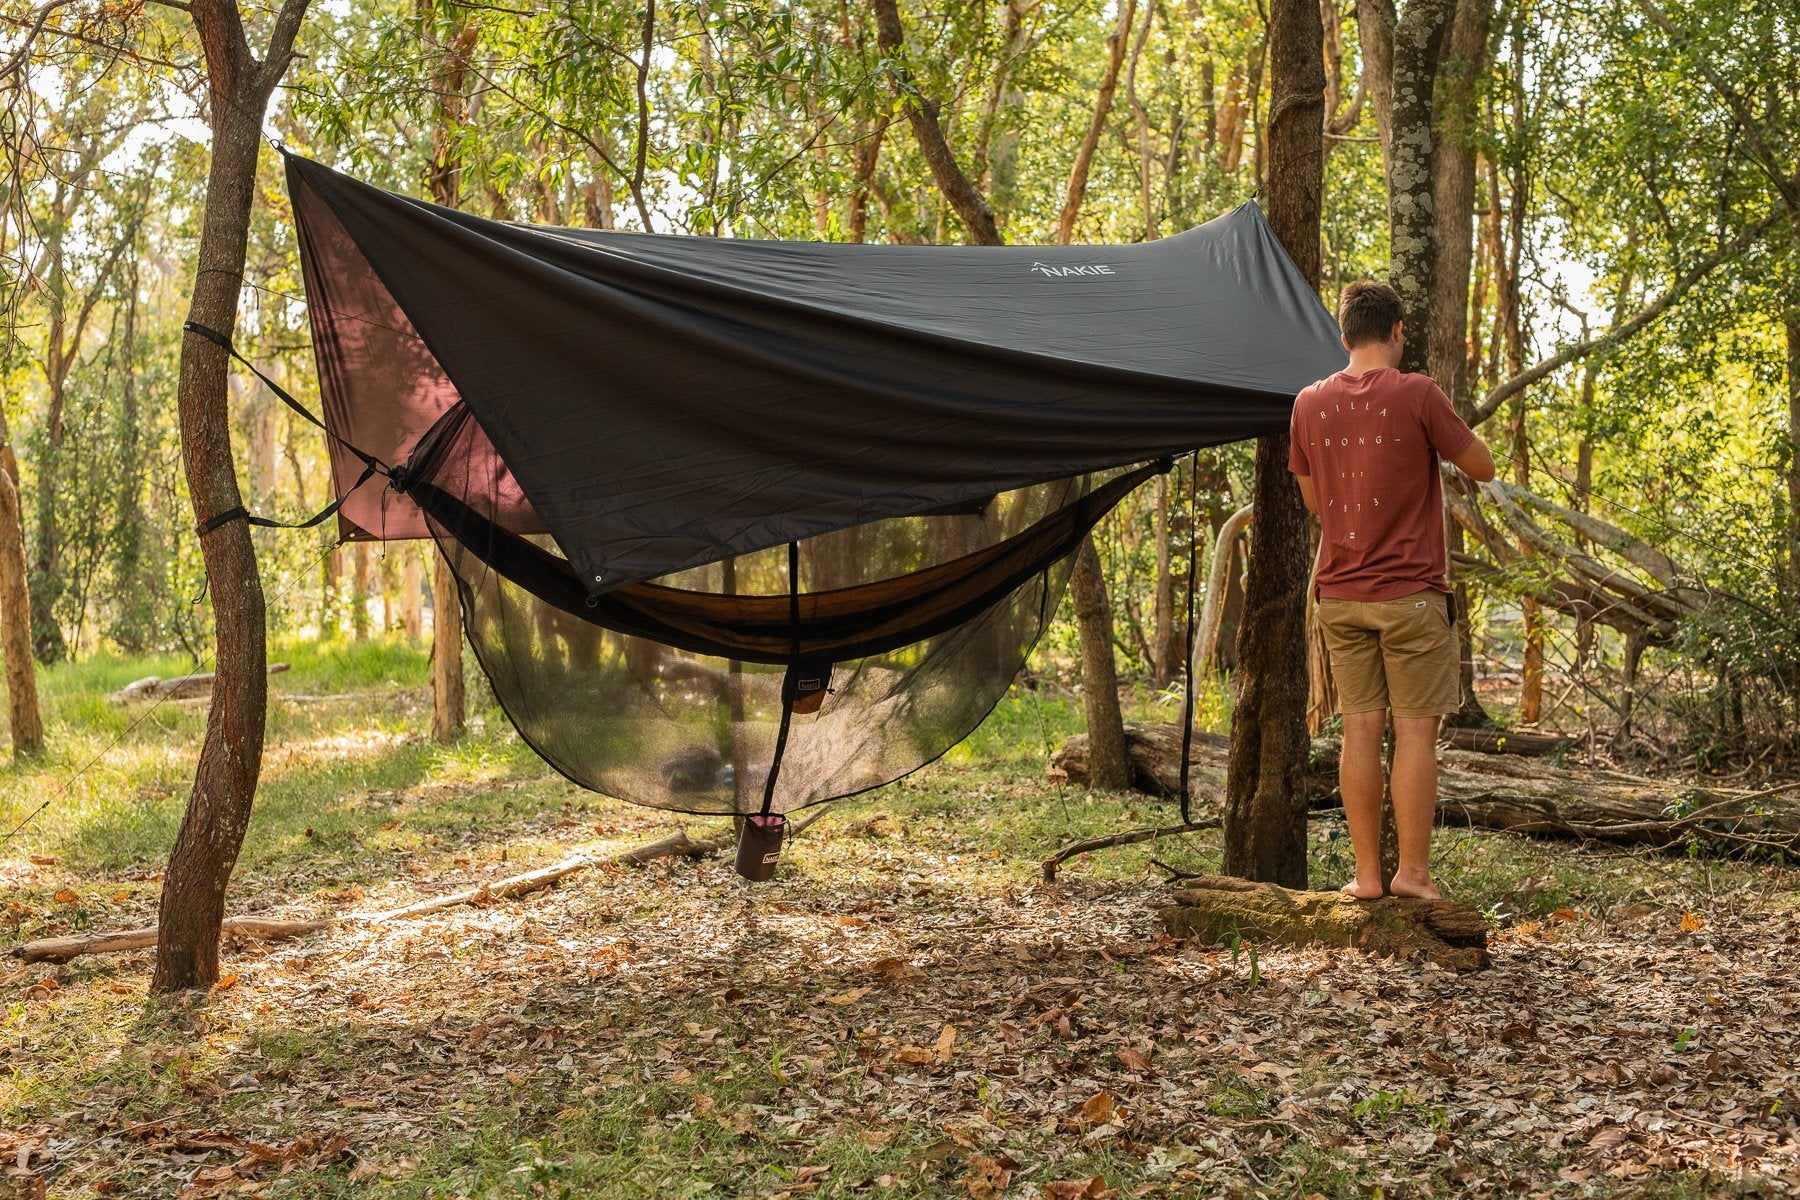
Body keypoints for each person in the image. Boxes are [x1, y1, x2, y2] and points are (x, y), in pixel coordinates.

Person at [1287, 281, 1495, 900]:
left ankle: (1367, 877)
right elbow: (1481, 466)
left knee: (1358, 730)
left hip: (1340, 595)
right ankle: (1414, 876)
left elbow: (1314, 503)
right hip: (1410, 596)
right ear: (1397, 332)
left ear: (1343, 336)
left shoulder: (1307, 403)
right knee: (1414, 733)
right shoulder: (1418, 393)